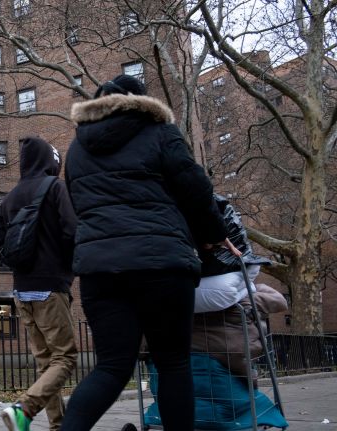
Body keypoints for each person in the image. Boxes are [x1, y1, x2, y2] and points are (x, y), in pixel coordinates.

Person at [60, 75, 236, 431]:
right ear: (142, 101)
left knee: (111, 365)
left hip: (100, 269)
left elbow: (80, 206)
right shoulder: (159, 132)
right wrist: (214, 235)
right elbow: (195, 189)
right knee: (172, 362)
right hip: (162, 263)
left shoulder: (76, 149)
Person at [0, 136, 78, 431]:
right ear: (51, 161)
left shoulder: (8, 199)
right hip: (51, 287)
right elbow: (72, 232)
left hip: (21, 290)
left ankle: (58, 425)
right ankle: (23, 409)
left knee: (46, 363)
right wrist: (68, 266)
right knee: (65, 358)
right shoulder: (56, 187)